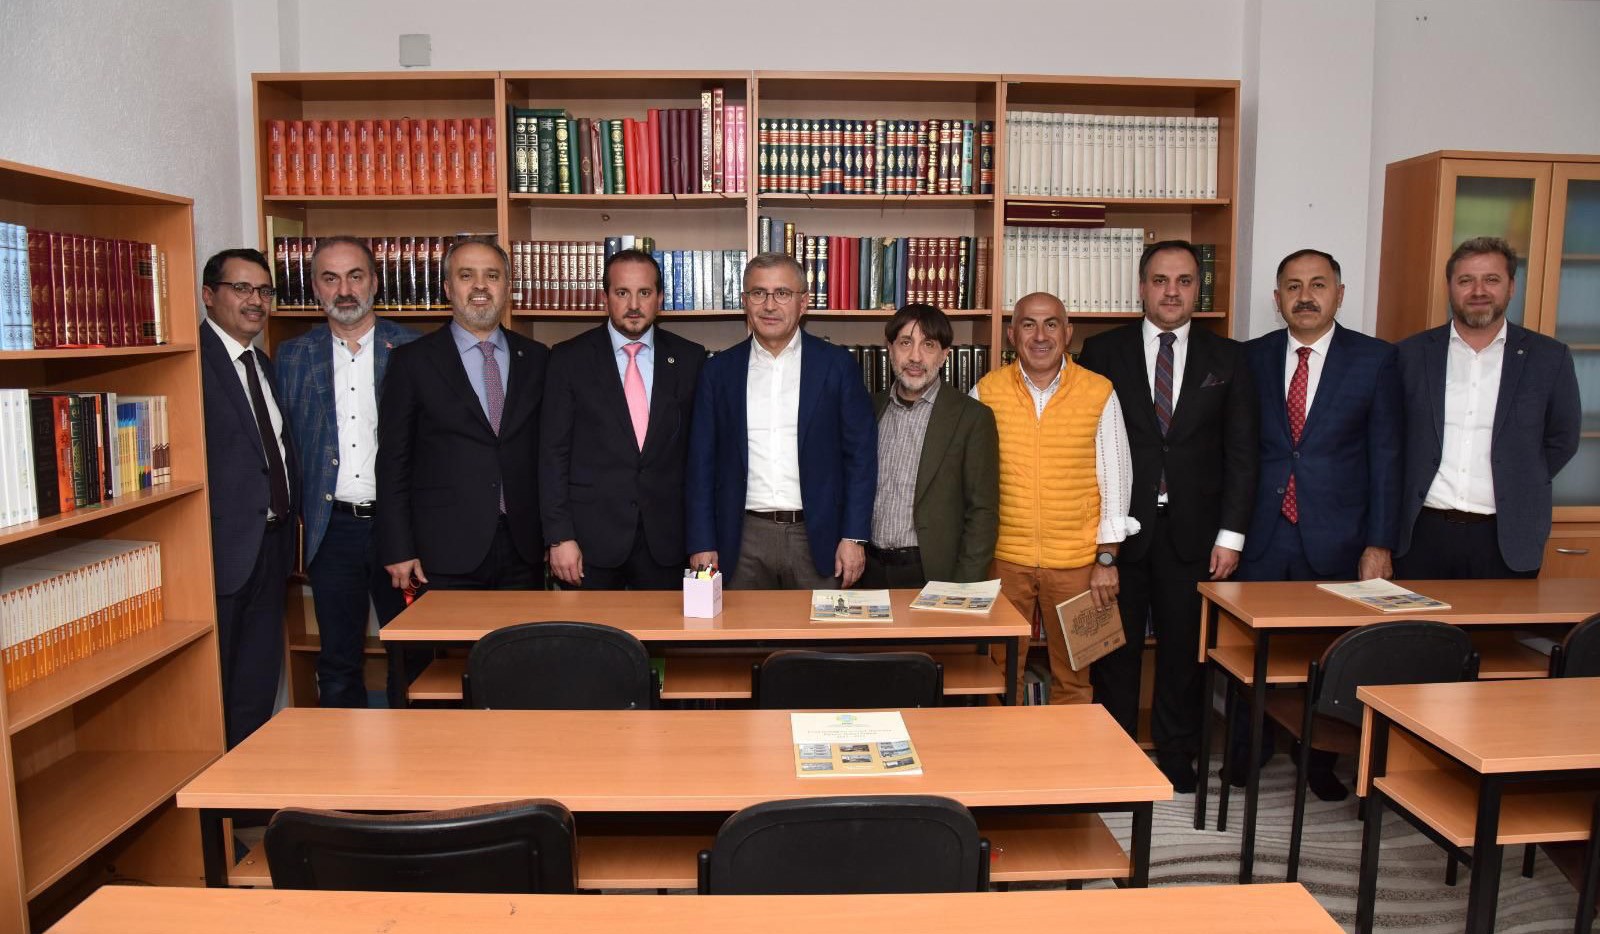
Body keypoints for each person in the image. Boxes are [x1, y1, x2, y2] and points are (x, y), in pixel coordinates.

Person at [1077, 239, 1258, 794]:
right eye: (1160, 280)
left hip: (1195, 535)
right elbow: (1085, 447)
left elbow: (1242, 452)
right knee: (1114, 651)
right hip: (1120, 533)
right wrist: (1096, 538)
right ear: (1141, 288)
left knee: (1184, 652)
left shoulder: (1229, 358)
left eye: (1183, 280)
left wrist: (1231, 536)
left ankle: (1177, 754)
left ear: (1198, 288)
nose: (1171, 291)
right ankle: (1112, 755)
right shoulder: (1102, 352)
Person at [1236, 247, 1402, 800]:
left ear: (1339, 294)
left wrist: (1379, 542)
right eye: (1293, 286)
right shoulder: (1251, 357)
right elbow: (1237, 450)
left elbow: (1387, 457)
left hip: (1338, 536)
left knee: (1329, 655)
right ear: (1277, 297)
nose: (1305, 296)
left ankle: (1319, 761)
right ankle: (1249, 749)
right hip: (1262, 533)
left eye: (1317, 284)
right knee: (1250, 650)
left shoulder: (1375, 360)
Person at [971, 292, 1134, 706]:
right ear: (1012, 335)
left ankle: (1069, 751)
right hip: (1004, 563)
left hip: (1079, 567)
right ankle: (1000, 748)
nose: (1040, 336)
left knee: (1076, 680)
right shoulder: (986, 391)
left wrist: (1107, 560)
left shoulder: (1099, 391)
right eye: (1028, 324)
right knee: (997, 677)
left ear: (1068, 333)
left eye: (1051, 324)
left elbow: (1117, 481)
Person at [277, 236, 419, 707]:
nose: (344, 290)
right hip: (331, 529)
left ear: (374, 282)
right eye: (330, 278)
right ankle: (343, 753)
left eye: (355, 276)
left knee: (412, 655)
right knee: (337, 660)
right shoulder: (292, 357)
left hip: (401, 528)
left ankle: (414, 749)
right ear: (314, 286)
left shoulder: (415, 349)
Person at [1394, 235, 1581, 579]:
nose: (1478, 291)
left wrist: (1520, 475)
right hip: (1421, 534)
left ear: (1511, 287)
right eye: (1466, 280)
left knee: (1503, 618)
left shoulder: (1549, 358)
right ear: (1450, 287)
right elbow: (1392, 438)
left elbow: (1563, 439)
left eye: (1491, 279)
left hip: (1506, 538)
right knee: (1418, 617)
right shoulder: (1410, 355)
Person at [685, 252, 876, 589]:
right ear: (745, 301)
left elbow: (861, 457)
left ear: (803, 303)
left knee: (818, 626)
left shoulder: (837, 366)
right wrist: (701, 540)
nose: (769, 305)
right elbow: (701, 463)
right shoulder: (718, 372)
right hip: (740, 539)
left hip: (819, 538)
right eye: (759, 293)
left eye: (782, 293)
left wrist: (853, 536)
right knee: (739, 625)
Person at [377, 238, 549, 592]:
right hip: (443, 548)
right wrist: (398, 546)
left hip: (524, 547)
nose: (480, 286)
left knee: (524, 631)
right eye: (466, 275)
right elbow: (393, 462)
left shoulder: (538, 358)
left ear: (507, 288)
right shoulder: (412, 362)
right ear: (447, 288)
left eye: (492, 276)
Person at [540, 249, 706, 589]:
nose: (634, 304)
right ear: (605, 298)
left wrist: (701, 538)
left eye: (644, 292)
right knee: (589, 626)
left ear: (660, 298)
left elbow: (700, 457)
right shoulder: (568, 359)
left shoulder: (690, 358)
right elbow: (552, 455)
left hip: (666, 541)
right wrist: (559, 536)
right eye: (622, 293)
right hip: (588, 542)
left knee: (662, 626)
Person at [198, 247, 298, 747]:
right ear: (208, 295)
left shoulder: (261, 362)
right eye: (241, 288)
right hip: (222, 552)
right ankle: (215, 791)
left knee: (256, 682)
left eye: (263, 290)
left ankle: (249, 786)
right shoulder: (192, 363)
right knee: (214, 686)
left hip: (272, 546)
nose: (255, 301)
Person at [864, 303, 998, 588]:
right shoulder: (869, 408)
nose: (915, 357)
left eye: (928, 345)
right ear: (890, 349)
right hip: (868, 570)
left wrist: (964, 588)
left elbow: (982, 513)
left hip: (933, 573)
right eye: (905, 343)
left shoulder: (972, 417)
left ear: (945, 354)